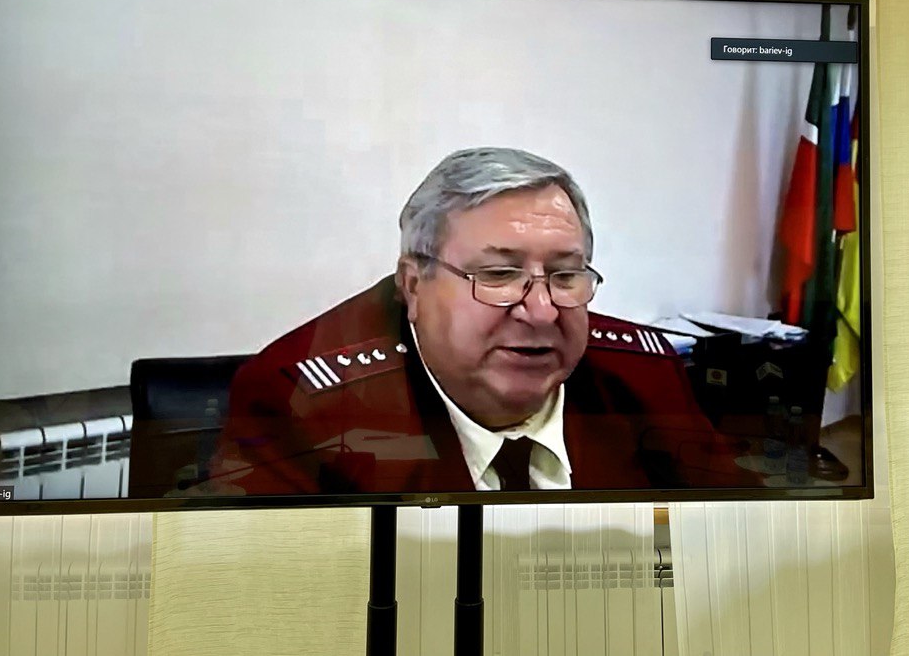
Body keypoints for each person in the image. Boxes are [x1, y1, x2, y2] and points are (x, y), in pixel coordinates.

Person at [208, 147, 747, 495]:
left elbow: (733, 547)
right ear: (413, 285)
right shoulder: (303, 401)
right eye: (498, 275)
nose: (541, 311)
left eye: (565, 275)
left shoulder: (643, 373)